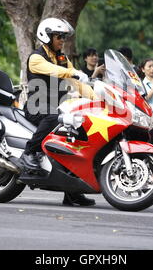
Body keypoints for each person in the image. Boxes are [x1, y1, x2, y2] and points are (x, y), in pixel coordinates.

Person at [21, 17, 96, 206]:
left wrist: (96, 99)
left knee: (76, 139)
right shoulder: (36, 58)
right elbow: (55, 71)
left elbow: (77, 82)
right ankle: (29, 152)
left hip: (58, 106)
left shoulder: (62, 58)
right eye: (59, 37)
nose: (62, 40)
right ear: (46, 37)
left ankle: (72, 192)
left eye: (63, 37)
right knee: (55, 117)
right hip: (37, 107)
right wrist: (73, 72)